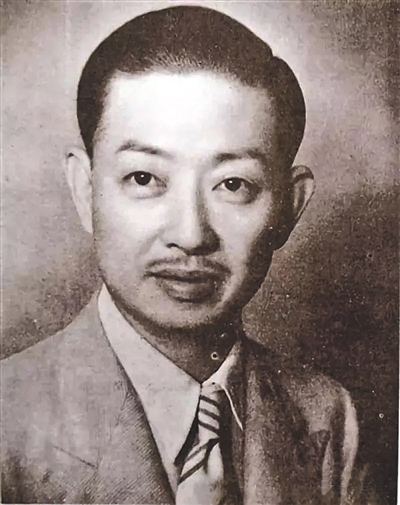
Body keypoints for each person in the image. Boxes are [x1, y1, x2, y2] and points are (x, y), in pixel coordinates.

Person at [1, 5, 360, 504]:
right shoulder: (9, 420)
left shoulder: (329, 416)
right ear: (85, 190)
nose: (191, 235)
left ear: (290, 206)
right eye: (144, 178)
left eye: (233, 184)